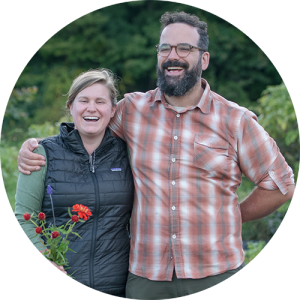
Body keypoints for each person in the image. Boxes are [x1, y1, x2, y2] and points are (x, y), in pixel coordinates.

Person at [17, 11, 295, 300]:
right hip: (146, 278)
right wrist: (35, 146)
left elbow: (281, 185)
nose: (173, 56)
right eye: (165, 48)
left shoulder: (235, 121)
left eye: (184, 48)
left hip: (216, 271)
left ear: (204, 59)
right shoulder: (131, 110)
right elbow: (87, 123)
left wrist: (232, 216)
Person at [14, 69, 134, 298]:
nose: (92, 108)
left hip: (118, 285)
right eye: (84, 100)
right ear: (70, 106)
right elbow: (23, 217)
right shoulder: (41, 153)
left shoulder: (128, 153)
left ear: (113, 110)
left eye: (100, 101)